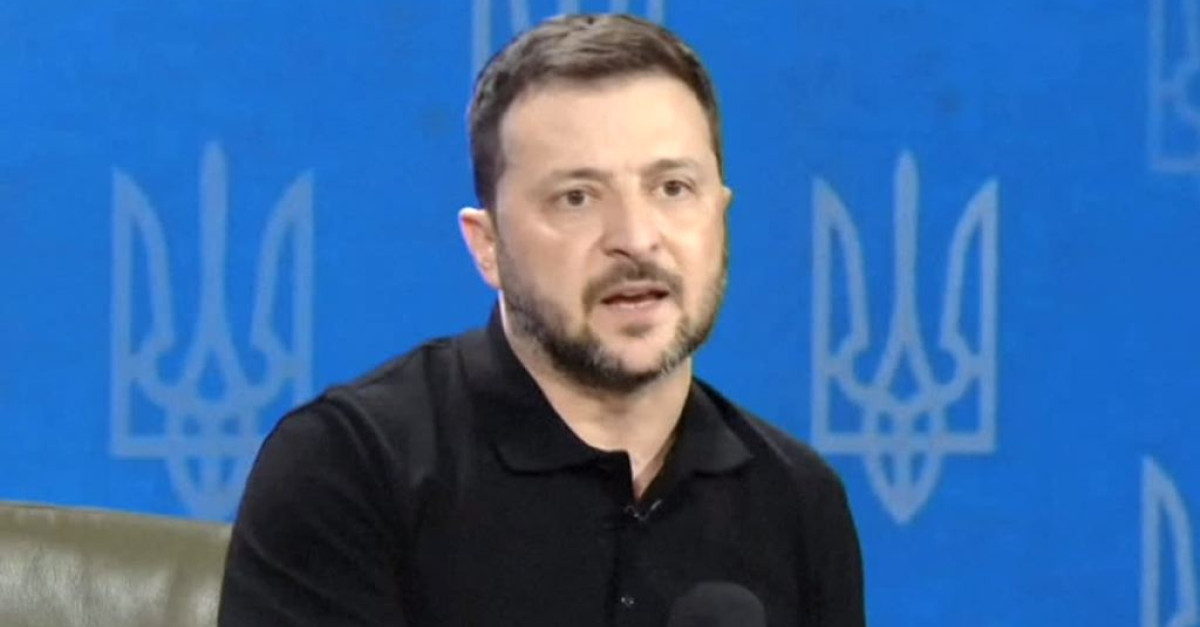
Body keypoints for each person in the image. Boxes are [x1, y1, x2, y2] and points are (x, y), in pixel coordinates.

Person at [218, 13, 865, 627]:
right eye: (576, 197)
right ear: (487, 246)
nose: (637, 239)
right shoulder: (350, 467)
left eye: (672, 188)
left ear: (720, 216)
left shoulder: (798, 500)